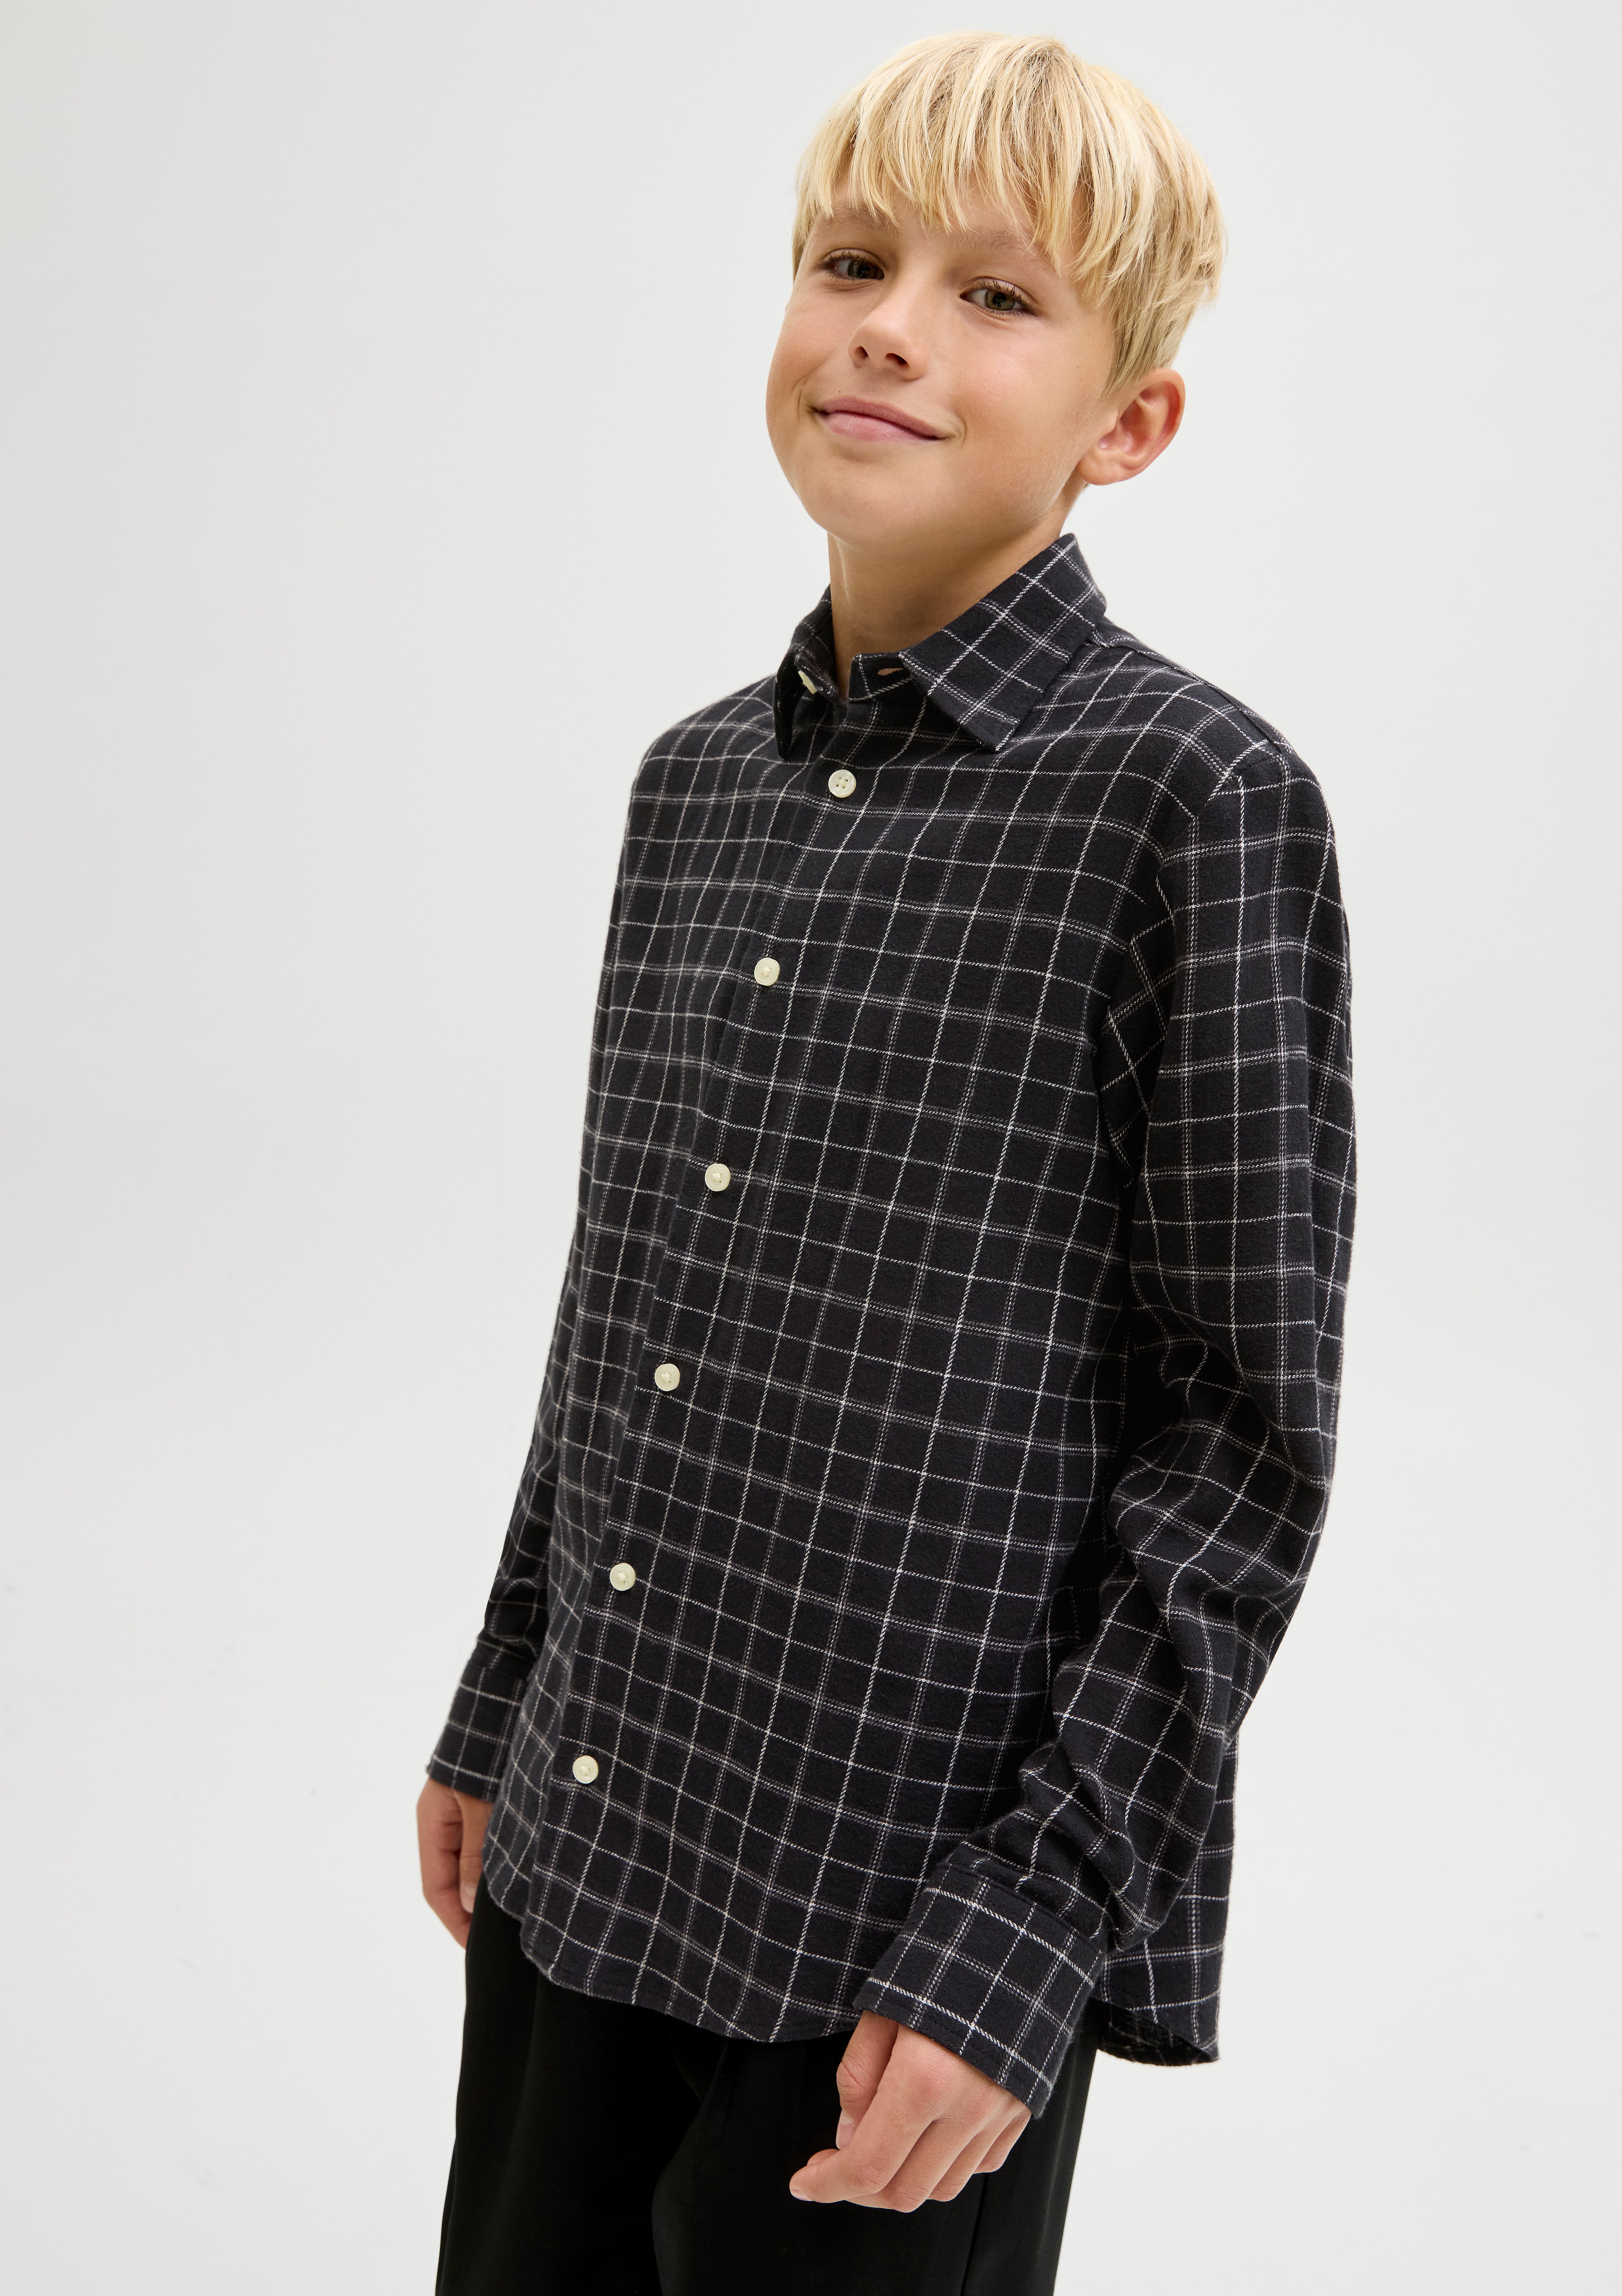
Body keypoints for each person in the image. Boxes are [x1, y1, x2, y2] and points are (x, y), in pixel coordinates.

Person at [417, 29, 1356, 2294]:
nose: (889, 329)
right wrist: (502, 1691)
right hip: (588, 1834)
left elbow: (1232, 1445)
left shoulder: (1191, 803)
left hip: (893, 1952)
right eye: (850, 263)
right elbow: (625, 1304)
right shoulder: (692, 788)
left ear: (1128, 424)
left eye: (996, 296)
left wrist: (1030, 1933)